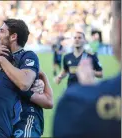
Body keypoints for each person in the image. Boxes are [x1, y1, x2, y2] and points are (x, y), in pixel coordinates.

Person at [53, 1, 121, 138]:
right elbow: (66, 70)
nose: (77, 40)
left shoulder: (90, 57)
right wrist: (60, 77)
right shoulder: (67, 57)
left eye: (80, 38)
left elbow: (100, 73)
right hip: (72, 89)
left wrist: (90, 94)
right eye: (75, 38)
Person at [0, 19, 53, 138]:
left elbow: (24, 83)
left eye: (2, 31)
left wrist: (42, 76)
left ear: (13, 36)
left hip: (26, 118)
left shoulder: (27, 56)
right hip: (4, 120)